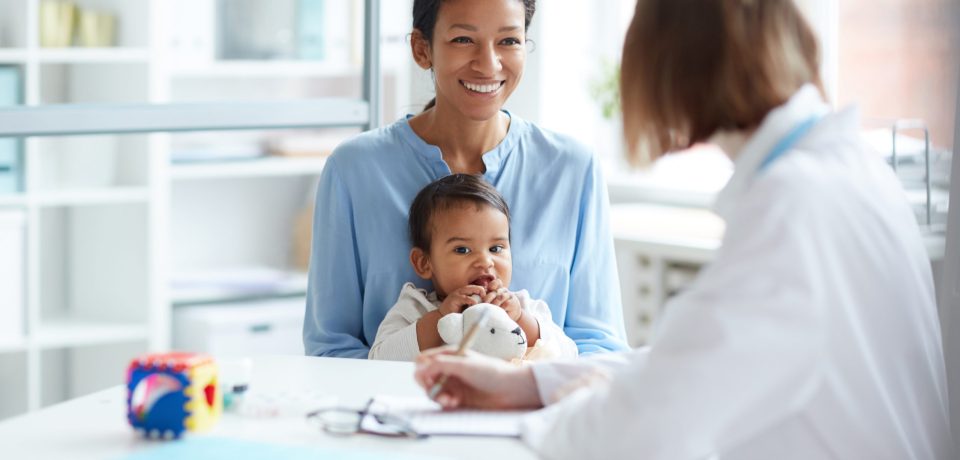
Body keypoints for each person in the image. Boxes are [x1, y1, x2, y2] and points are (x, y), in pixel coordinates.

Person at [414, 0, 954, 458]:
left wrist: (525, 430)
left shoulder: (796, 205)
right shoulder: (844, 170)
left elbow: (656, 421)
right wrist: (528, 384)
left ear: (677, 67)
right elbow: (693, 359)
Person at [304, 0, 629, 358]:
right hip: (393, 411)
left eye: (509, 41)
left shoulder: (574, 169)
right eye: (463, 39)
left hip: (537, 412)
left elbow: (601, 350)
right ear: (421, 48)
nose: (488, 64)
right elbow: (331, 350)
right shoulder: (353, 170)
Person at [368, 174, 579, 361]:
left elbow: (569, 354)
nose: (485, 261)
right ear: (424, 262)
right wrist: (439, 318)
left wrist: (521, 320)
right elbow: (379, 359)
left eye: (496, 248)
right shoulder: (415, 307)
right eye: (462, 250)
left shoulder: (524, 306)